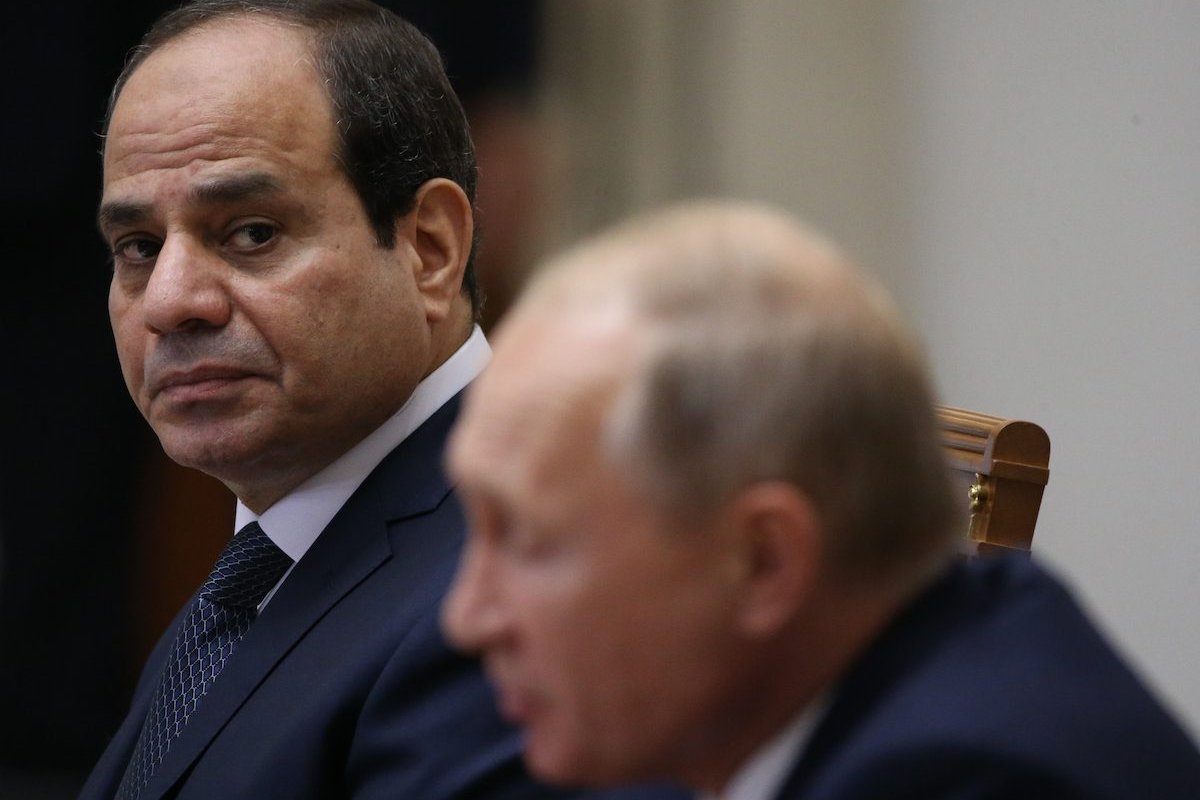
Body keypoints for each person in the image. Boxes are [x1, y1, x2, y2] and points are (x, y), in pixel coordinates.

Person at [82, 2, 685, 799]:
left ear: (430, 249)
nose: (170, 301)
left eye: (251, 233)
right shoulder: (254, 580)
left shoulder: (521, 593)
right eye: (138, 247)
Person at [441, 200, 1200, 799]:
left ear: (764, 562)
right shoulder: (773, 711)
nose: (466, 617)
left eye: (529, 542)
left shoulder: (968, 780)